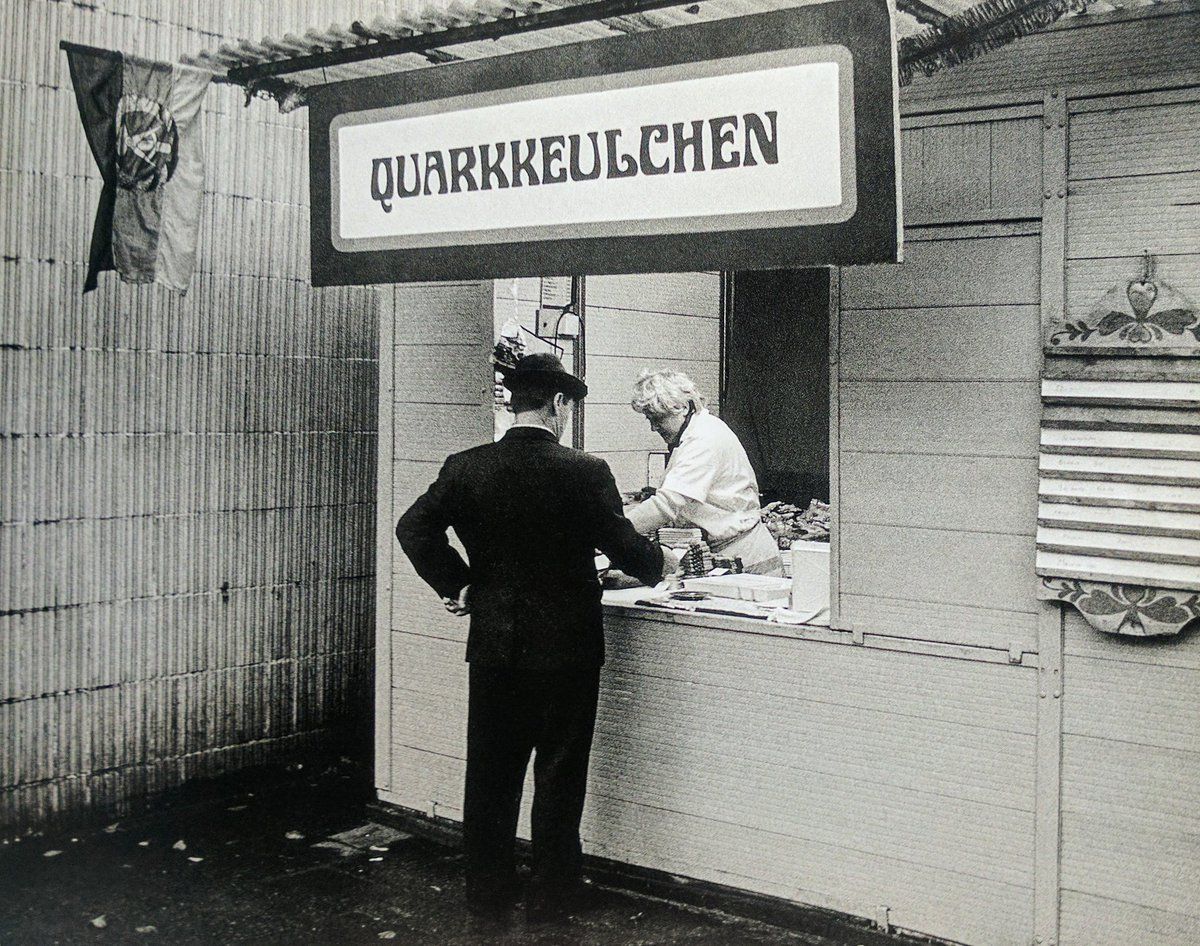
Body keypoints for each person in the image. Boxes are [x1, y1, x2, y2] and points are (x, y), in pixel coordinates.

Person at [395, 353, 676, 927]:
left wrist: (459, 583)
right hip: (566, 647)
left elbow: (413, 526)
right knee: (559, 770)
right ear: (558, 404)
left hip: (495, 643)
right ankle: (553, 893)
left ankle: (488, 890)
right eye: (569, 405)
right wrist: (661, 561)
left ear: (513, 403)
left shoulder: (466, 467)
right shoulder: (583, 470)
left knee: (492, 771)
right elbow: (627, 548)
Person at [627, 368, 784, 576]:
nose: (653, 428)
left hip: (745, 558)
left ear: (682, 407)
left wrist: (611, 531)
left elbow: (667, 505)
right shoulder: (693, 435)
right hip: (723, 554)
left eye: (658, 418)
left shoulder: (704, 439)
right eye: (649, 419)